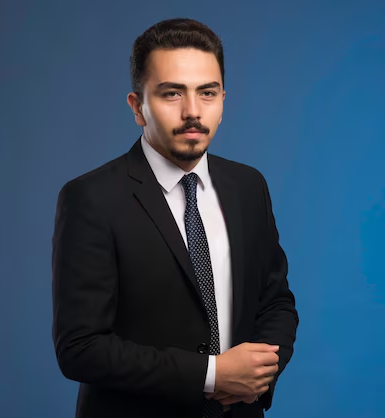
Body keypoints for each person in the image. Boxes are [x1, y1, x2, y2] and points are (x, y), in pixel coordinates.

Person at [51, 17, 298, 418]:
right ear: (138, 107)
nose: (192, 111)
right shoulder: (90, 198)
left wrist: (257, 377)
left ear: (222, 100)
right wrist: (213, 374)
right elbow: (80, 348)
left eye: (207, 93)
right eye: (171, 94)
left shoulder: (249, 186)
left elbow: (275, 302)